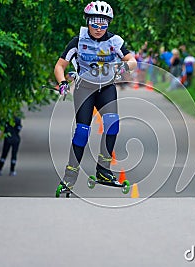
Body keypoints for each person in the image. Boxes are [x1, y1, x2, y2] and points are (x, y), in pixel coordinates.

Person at [53, 1, 137, 195]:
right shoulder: (77, 41)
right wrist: (62, 82)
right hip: (85, 90)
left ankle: (103, 171)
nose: (99, 29)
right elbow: (60, 66)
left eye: (103, 24)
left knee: (112, 124)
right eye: (94, 23)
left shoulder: (115, 41)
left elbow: (132, 60)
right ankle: (69, 177)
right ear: (87, 21)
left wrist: (125, 67)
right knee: (82, 131)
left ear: (109, 24)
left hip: (106, 88)